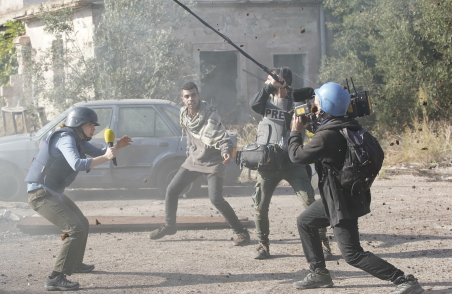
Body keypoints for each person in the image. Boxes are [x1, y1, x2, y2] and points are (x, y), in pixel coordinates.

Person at [287, 82, 425, 293]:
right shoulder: (347, 125)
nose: (312, 108)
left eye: (316, 104)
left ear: (324, 108)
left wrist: (295, 132)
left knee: (352, 254)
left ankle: (404, 280)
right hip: (343, 195)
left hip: (340, 201)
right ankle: (319, 273)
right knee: (305, 221)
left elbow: (297, 156)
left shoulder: (326, 136)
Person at [25, 106, 132, 291]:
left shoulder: (79, 139)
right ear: (78, 124)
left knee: (82, 223)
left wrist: (116, 147)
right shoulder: (65, 138)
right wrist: (107, 156)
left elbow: (100, 153)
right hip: (40, 194)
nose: (94, 128)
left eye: (94, 125)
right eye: (90, 125)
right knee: (74, 229)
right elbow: (77, 164)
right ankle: (55, 277)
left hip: (52, 192)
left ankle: (73, 263)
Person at [149, 82, 250, 246]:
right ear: (182, 99)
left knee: (216, 199)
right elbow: (190, 138)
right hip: (194, 160)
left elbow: (224, 138)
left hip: (214, 161)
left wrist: (225, 152)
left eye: (193, 95)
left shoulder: (211, 115)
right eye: (187, 96)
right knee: (172, 190)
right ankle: (170, 225)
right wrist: (190, 154)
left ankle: (241, 232)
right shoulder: (184, 115)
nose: (191, 99)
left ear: (198, 96)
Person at [249, 67, 331, 260]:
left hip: (293, 161)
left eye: (274, 80)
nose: (269, 82)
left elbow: (313, 128)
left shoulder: (299, 104)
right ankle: (263, 244)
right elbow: (254, 104)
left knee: (310, 202)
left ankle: (323, 242)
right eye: (269, 80)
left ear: (284, 82)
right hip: (268, 163)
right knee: (260, 205)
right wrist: (270, 86)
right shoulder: (265, 102)